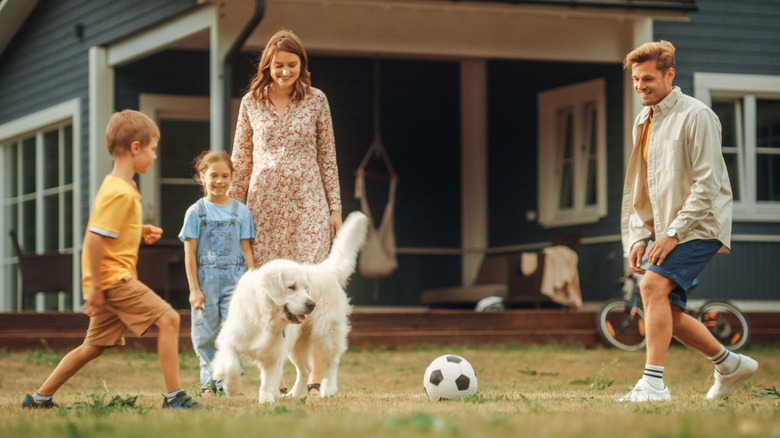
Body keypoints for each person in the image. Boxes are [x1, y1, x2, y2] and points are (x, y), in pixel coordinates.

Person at [22, 110, 199, 409]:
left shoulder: (123, 187)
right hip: (113, 278)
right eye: (152, 149)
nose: (154, 157)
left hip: (109, 279)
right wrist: (93, 288)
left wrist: (138, 229)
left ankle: (39, 398)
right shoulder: (119, 191)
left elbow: (110, 228)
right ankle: (175, 397)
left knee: (93, 346)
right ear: (135, 147)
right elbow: (94, 238)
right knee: (169, 319)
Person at [618, 40, 758, 402]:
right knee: (668, 311)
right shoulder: (643, 121)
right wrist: (639, 236)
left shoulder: (696, 115)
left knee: (650, 288)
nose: (640, 86)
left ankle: (653, 385)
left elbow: (707, 184)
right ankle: (730, 365)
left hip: (699, 225)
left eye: (647, 78)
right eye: (635, 79)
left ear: (669, 75)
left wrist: (672, 234)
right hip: (668, 230)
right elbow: (643, 187)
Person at [228, 29, 342, 395]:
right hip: (264, 207)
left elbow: (328, 156)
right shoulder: (250, 103)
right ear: (268, 65)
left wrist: (335, 207)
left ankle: (315, 377)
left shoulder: (317, 100)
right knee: (274, 293)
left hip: (309, 202)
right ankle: (274, 377)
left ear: (301, 66)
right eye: (278, 65)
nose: (285, 72)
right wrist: (233, 210)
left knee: (315, 286)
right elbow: (240, 159)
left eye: (292, 65)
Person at [179, 151, 255, 396]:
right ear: (202, 177)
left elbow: (246, 250)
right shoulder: (195, 212)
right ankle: (208, 384)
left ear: (232, 177)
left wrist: (250, 284)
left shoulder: (242, 212)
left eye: (225, 175)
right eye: (213, 175)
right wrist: (194, 289)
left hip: (236, 279)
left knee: (234, 331)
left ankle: (229, 382)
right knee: (206, 333)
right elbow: (189, 253)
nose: (219, 181)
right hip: (206, 280)